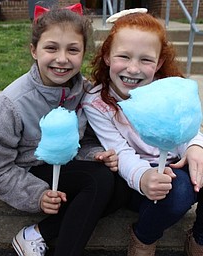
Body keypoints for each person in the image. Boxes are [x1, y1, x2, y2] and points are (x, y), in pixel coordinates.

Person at [0, 4, 131, 256]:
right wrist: (36, 194)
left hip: (67, 167)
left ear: (83, 54)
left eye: (73, 50)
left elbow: (89, 139)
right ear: (34, 51)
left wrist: (96, 154)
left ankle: (37, 234)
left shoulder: (85, 91)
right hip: (26, 172)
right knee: (98, 180)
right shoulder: (10, 103)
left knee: (121, 186)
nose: (62, 59)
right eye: (51, 48)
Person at [81, 8, 203, 256]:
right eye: (124, 57)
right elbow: (121, 151)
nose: (133, 69)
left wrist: (195, 147)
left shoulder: (168, 89)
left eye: (145, 60)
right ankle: (143, 239)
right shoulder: (96, 102)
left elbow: (187, 130)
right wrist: (143, 178)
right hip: (134, 182)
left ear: (158, 63)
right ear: (106, 56)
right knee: (178, 190)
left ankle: (199, 240)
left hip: (174, 166)